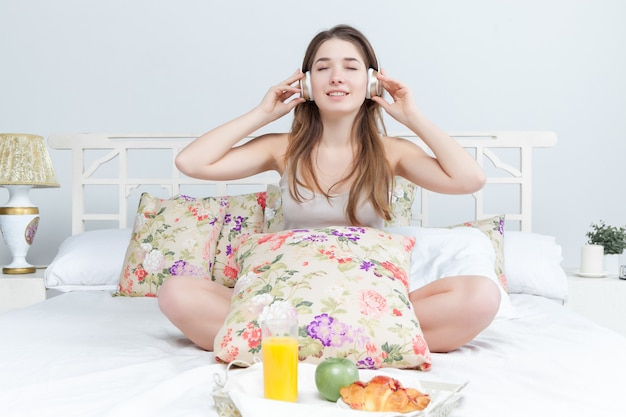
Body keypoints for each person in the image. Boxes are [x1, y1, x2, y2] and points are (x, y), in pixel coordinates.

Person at [158, 24, 500, 353]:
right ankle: (361, 343)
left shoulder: (393, 151)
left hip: (366, 299)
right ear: (306, 83)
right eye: (323, 68)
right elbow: (192, 162)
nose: (336, 77)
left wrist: (413, 118)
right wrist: (263, 113)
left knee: (481, 295)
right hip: (286, 299)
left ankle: (297, 344)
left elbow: (470, 180)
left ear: (370, 81)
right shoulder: (281, 148)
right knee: (176, 292)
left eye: (350, 67)